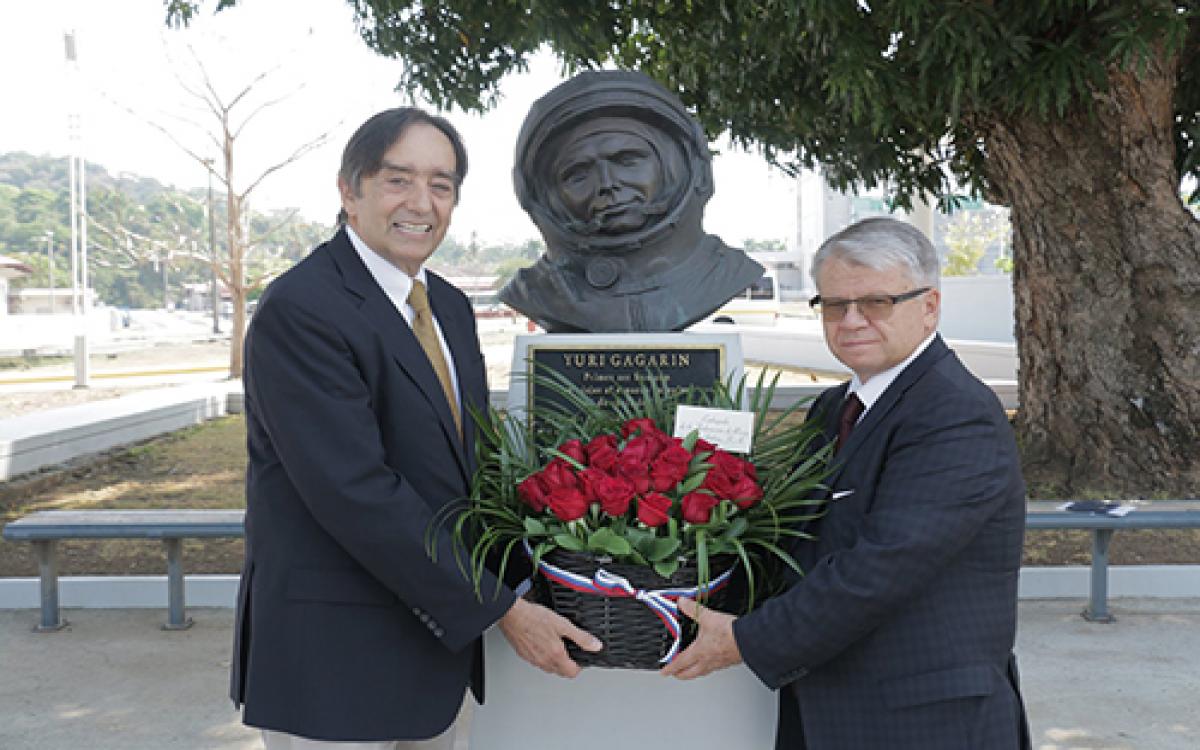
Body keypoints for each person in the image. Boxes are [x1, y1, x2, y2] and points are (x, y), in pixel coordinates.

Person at [230, 107, 600, 749]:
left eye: (441, 184)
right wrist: (503, 609)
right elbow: (355, 490)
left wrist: (561, 567)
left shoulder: (449, 307)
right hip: (336, 660)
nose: (421, 203)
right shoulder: (302, 310)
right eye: (398, 180)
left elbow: (468, 468)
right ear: (350, 191)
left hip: (436, 648)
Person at [663, 217, 1031, 749]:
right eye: (834, 304)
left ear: (930, 306)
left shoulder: (955, 415)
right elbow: (792, 540)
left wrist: (744, 639)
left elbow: (880, 568)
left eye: (876, 302)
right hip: (832, 710)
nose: (851, 320)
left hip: (925, 724)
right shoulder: (833, 408)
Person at [500, 70, 764, 332]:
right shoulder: (542, 293)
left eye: (627, 161)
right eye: (578, 174)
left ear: (678, 167)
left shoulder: (721, 273)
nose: (607, 183)